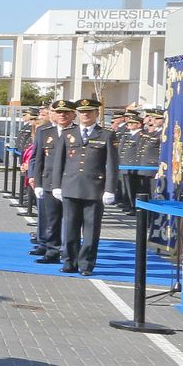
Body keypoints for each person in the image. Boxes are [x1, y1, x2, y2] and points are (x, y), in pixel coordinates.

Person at [56, 97, 118, 276]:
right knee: (69, 228)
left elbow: (112, 164)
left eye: (89, 112)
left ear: (96, 114)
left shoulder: (106, 134)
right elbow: (59, 162)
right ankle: (69, 261)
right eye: (82, 112)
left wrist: (109, 189)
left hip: (94, 189)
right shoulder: (68, 133)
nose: (85, 115)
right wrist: (56, 185)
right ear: (77, 114)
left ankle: (86, 264)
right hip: (70, 186)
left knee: (91, 230)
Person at [29, 100, 75, 264]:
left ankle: (69, 252)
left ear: (73, 115)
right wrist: (37, 179)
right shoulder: (44, 131)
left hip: (71, 181)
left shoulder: (77, 132)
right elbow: (38, 158)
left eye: (66, 113)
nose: (62, 115)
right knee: (52, 219)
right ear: (53, 114)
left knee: (71, 220)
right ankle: (52, 250)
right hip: (48, 180)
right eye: (58, 112)